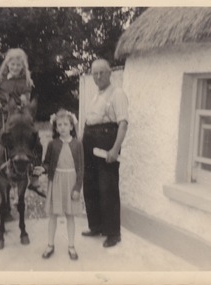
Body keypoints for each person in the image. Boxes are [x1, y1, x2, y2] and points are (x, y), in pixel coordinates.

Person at [81, 59, 129, 248]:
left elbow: (123, 124)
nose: (98, 76)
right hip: (90, 143)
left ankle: (113, 233)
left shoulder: (118, 94)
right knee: (90, 185)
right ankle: (96, 226)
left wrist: (115, 149)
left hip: (106, 144)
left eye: (102, 72)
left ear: (110, 74)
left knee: (107, 188)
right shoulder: (95, 95)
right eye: (95, 73)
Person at [33, 109, 84, 260]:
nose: (62, 127)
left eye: (65, 124)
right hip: (56, 181)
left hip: (71, 181)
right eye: (59, 125)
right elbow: (47, 163)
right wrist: (42, 169)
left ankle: (71, 246)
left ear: (71, 126)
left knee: (70, 215)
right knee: (53, 216)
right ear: (55, 128)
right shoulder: (52, 144)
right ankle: (50, 245)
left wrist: (77, 188)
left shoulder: (77, 145)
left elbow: (81, 169)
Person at [0, 48, 41, 192]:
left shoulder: (26, 81)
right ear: (7, 64)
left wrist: (24, 100)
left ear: (23, 66)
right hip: (3, 114)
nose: (15, 68)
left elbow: (27, 99)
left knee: (35, 139)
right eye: (12, 64)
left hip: (20, 116)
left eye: (18, 65)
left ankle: (34, 174)